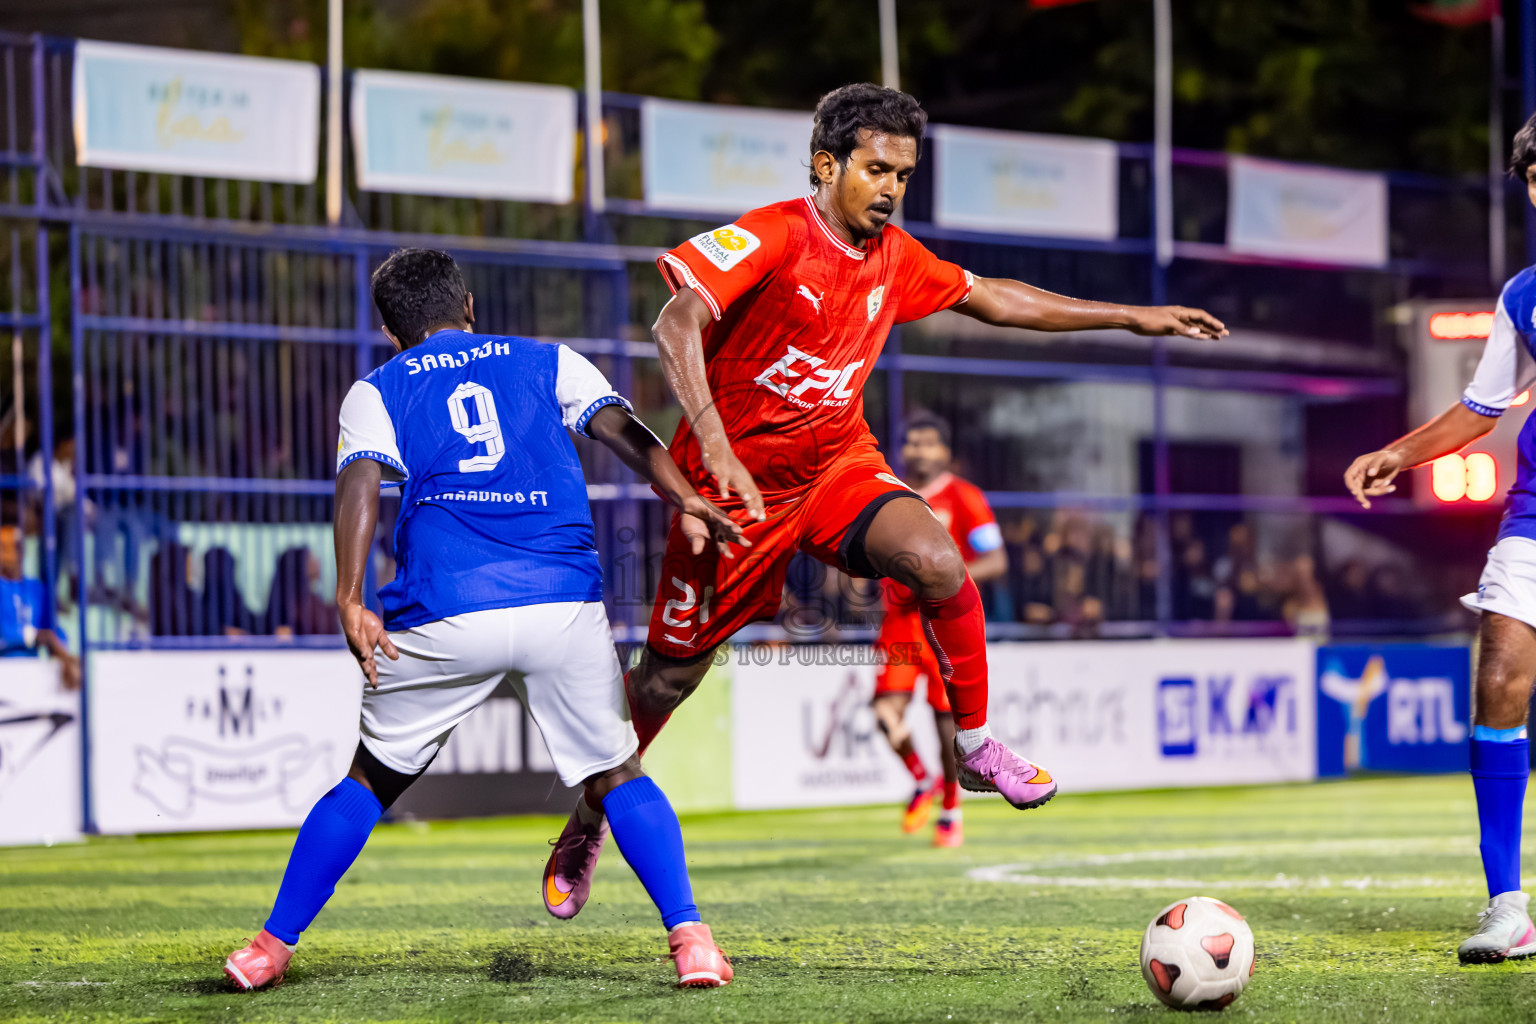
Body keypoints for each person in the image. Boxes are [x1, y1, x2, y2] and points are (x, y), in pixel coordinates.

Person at [543, 82, 1226, 917]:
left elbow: (994, 297)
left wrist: (1131, 317)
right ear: (827, 165)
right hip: (732, 498)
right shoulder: (775, 234)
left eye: (904, 173)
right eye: (876, 169)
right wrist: (715, 441)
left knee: (938, 561)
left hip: (835, 467)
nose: (893, 188)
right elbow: (674, 323)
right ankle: (587, 818)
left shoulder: (895, 257)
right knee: (664, 681)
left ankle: (973, 748)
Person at [224, 248, 745, 991]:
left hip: (445, 609)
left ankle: (269, 949)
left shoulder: (375, 391)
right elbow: (627, 432)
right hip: (559, 603)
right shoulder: (551, 361)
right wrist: (686, 495)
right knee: (618, 772)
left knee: (366, 784)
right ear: (467, 305)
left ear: (388, 329)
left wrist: (349, 598)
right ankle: (691, 940)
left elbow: (360, 487)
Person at [1343, 109, 1536, 966]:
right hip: (1535, 512)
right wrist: (1398, 452)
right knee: (1498, 675)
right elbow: (1481, 407)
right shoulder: (1525, 294)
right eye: (1534, 181)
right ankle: (1508, 905)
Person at [871, 412, 1006, 848]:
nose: (919, 450)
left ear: (945, 451)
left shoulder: (964, 498)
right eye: (912, 442)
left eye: (929, 443)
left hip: (942, 621)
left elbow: (996, 560)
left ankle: (951, 807)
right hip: (899, 623)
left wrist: (944, 579)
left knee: (944, 721)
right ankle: (921, 779)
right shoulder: (888, 490)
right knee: (883, 713)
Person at [0, 523, 79, 689]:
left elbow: (52, 629)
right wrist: (34, 636)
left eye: (18, 546)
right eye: (5, 547)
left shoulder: (36, 588)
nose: (14, 552)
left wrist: (58, 642)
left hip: (32, 669)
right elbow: (6, 635)